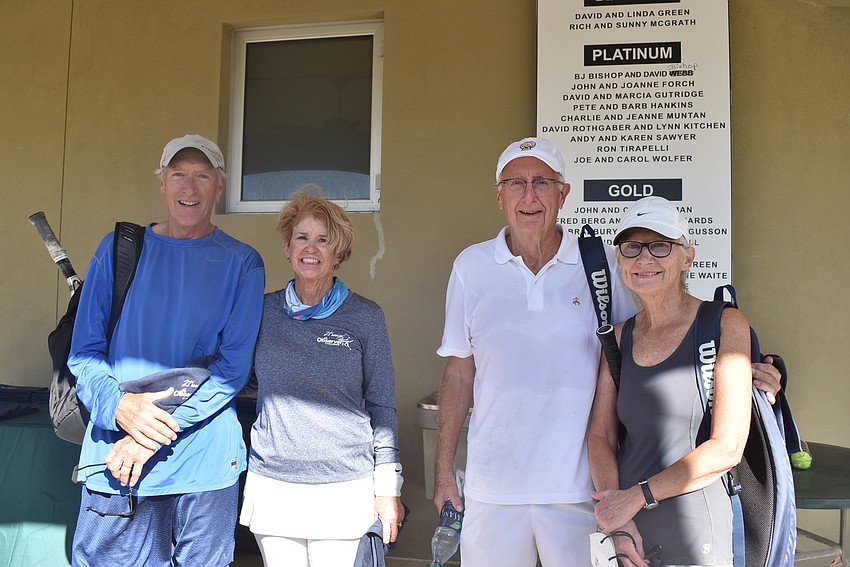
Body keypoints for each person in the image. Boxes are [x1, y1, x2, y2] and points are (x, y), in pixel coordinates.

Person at [433, 137, 782, 567]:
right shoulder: (470, 267)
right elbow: (458, 373)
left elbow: (659, 340)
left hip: (584, 494)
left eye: (542, 182)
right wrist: (444, 470)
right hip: (493, 489)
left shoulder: (598, 266)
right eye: (515, 183)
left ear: (563, 194)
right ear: (498, 194)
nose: (529, 196)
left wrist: (740, 369)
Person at [68, 134, 266, 567]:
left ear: (219, 185)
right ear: (162, 183)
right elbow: (83, 351)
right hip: (115, 460)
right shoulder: (119, 250)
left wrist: (148, 435)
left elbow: (232, 370)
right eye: (178, 174)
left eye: (201, 176)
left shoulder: (242, 263)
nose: (189, 188)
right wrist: (119, 407)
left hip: (203, 462)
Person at [239, 194, 404, 567]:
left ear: (339, 252)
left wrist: (387, 489)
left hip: (344, 485)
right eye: (302, 237)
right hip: (274, 482)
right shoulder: (261, 311)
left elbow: (382, 405)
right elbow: (239, 377)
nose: (310, 248)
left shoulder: (365, 317)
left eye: (323, 240)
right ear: (287, 246)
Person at [587, 196, 752, 566]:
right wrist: (620, 518)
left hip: (696, 533)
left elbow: (727, 448)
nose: (644, 259)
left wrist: (635, 498)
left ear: (686, 258)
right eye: (631, 247)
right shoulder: (616, 338)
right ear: (620, 260)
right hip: (627, 533)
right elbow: (600, 436)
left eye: (660, 246)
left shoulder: (725, 324)